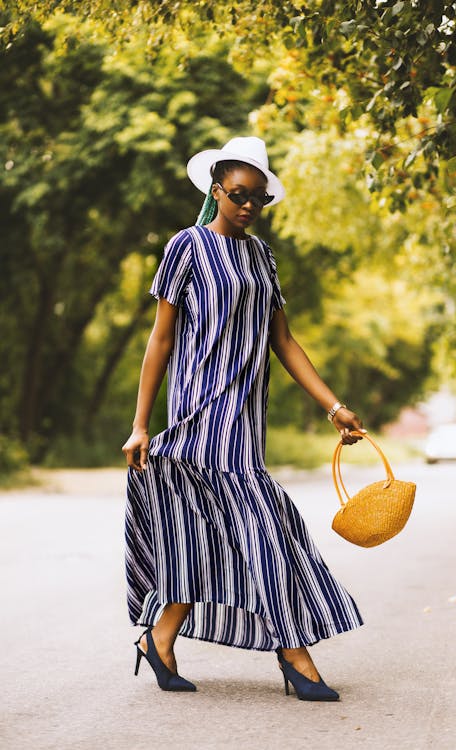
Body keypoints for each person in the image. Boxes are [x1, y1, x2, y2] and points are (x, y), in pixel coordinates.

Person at [122, 136, 365, 701]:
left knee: (204, 538)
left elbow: (283, 339)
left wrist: (332, 405)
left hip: (245, 422)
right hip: (197, 416)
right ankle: (295, 656)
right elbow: (160, 339)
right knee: (261, 530)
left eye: (259, 197)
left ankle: (158, 640)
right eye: (238, 194)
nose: (249, 205)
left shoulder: (261, 258)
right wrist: (140, 424)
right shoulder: (186, 247)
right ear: (216, 190)